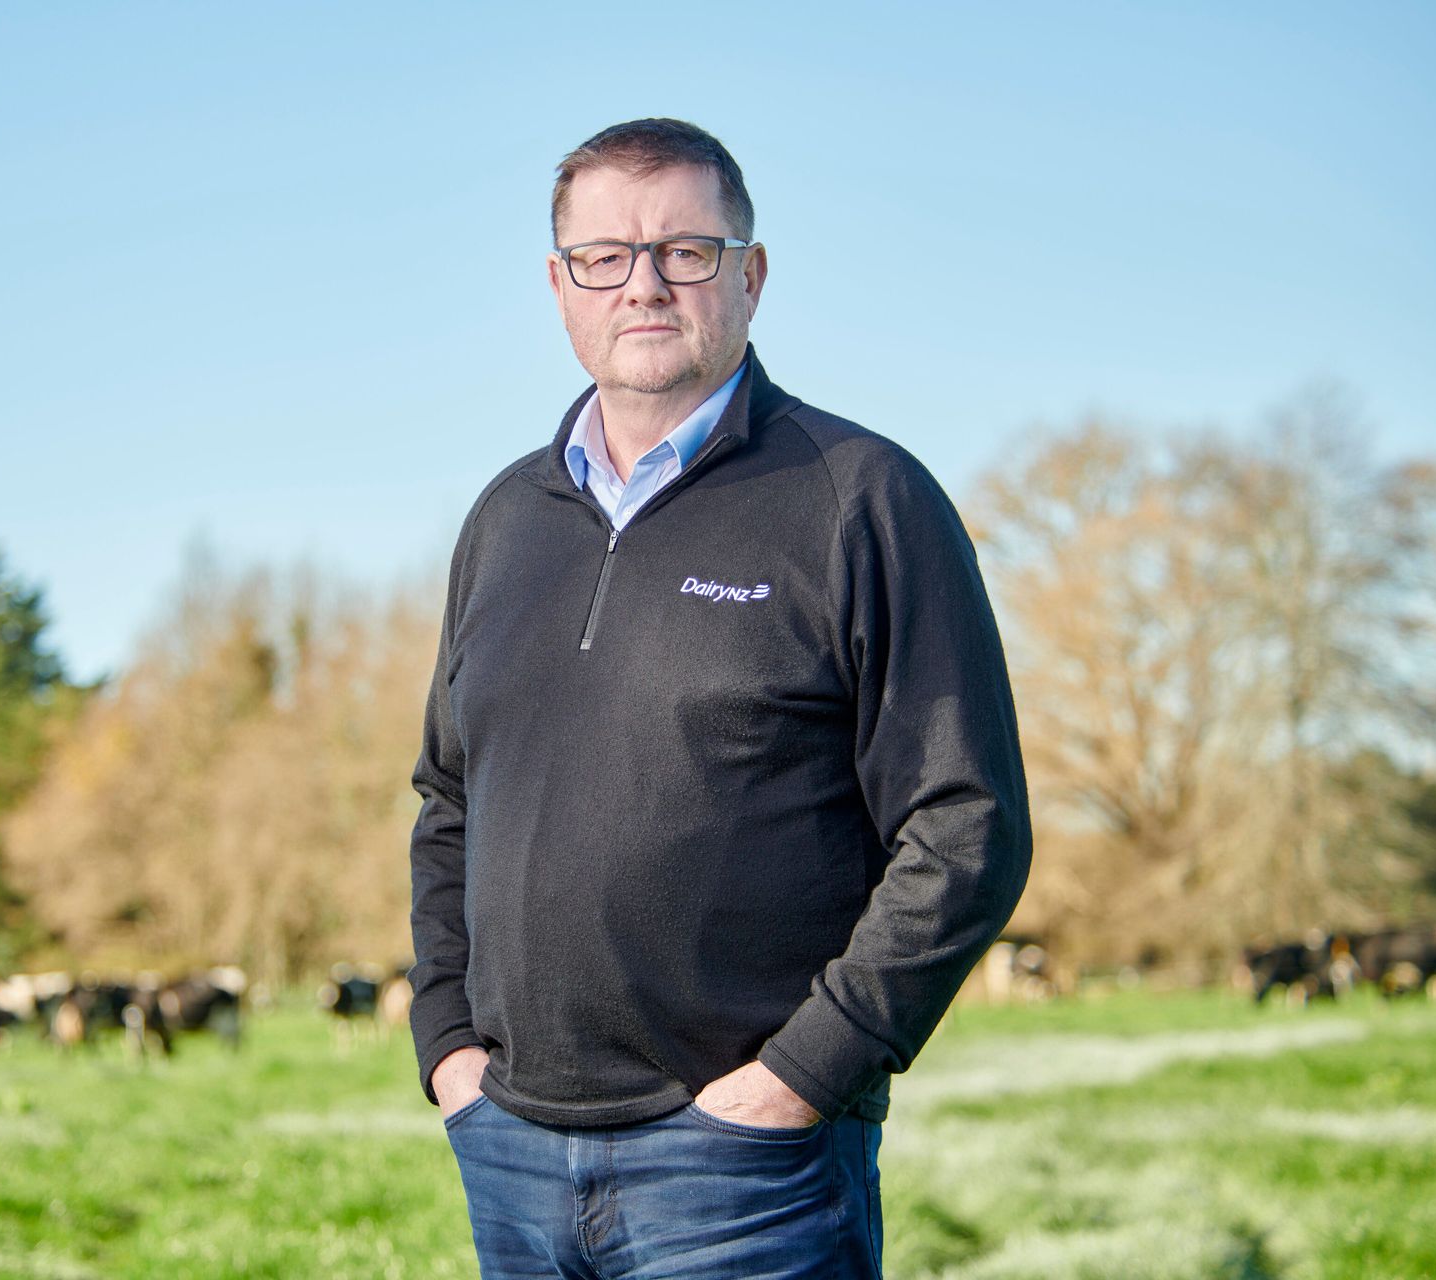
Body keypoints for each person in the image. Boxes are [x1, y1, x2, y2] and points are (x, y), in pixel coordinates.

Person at [406, 118, 1031, 1280]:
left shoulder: (859, 496)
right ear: (559, 286)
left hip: (745, 1173)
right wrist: (447, 1043)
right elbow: (450, 803)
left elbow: (967, 824)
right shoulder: (503, 521)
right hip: (511, 1152)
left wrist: (804, 1074)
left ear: (749, 274)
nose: (643, 283)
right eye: (604, 256)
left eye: (685, 250)